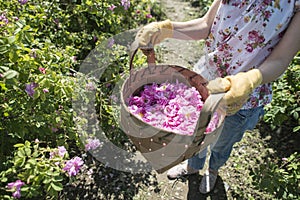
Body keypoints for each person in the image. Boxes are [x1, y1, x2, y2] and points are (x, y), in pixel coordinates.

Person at [135, 0, 300, 194]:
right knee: (197, 134)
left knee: (222, 143)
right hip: (204, 83)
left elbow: (281, 59)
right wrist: (167, 29)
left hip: (241, 99)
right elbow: (206, 25)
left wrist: (251, 79)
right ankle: (193, 167)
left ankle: (213, 170)